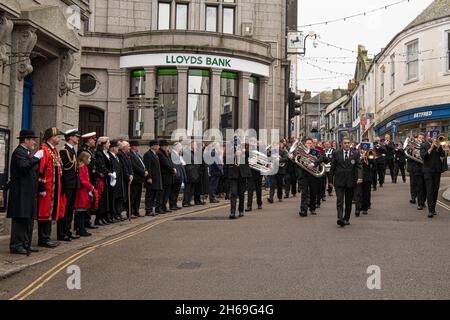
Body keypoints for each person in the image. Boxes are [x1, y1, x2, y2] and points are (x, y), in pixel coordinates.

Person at [7, 130, 43, 255]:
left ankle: (25, 243)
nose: (34, 142)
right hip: (20, 192)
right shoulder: (18, 152)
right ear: (26, 140)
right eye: (32, 139)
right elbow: (24, 166)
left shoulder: (26, 152)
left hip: (27, 192)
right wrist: (36, 158)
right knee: (20, 219)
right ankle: (16, 245)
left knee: (27, 218)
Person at [37, 128, 64, 248]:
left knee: (50, 213)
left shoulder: (54, 150)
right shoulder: (44, 149)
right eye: (58, 136)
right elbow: (41, 170)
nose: (59, 139)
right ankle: (43, 239)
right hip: (46, 188)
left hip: (54, 188)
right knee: (44, 213)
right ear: (51, 137)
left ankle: (47, 237)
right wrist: (42, 187)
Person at [329, 137, 363, 227]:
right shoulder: (336, 153)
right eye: (345, 143)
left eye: (348, 143)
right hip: (339, 181)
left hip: (350, 181)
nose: (347, 144)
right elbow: (332, 168)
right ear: (341, 144)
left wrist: (360, 177)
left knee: (348, 201)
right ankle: (340, 218)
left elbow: (359, 166)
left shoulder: (355, 154)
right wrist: (330, 181)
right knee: (339, 200)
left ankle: (346, 218)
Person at [58, 129, 81, 241]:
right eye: (76, 136)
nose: (78, 138)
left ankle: (67, 230)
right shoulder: (64, 150)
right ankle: (62, 233)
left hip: (73, 184)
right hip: (67, 184)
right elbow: (65, 169)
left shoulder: (71, 150)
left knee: (70, 209)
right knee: (65, 209)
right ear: (71, 137)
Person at [420, 133, 446, 218]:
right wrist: (431, 148)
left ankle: (433, 208)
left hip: (437, 171)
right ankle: (430, 210)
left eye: (433, 136)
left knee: (435, 190)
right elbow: (423, 156)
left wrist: (438, 147)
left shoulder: (438, 145)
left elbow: (443, 155)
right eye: (430, 136)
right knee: (430, 190)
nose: (432, 138)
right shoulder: (423, 145)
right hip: (428, 171)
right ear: (426, 138)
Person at [297, 137, 324, 217]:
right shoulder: (301, 151)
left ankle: (312, 208)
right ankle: (303, 210)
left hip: (313, 174)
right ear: (305, 144)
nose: (309, 144)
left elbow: (321, 158)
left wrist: (314, 163)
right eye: (308, 143)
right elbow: (297, 160)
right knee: (304, 192)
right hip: (304, 174)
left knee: (313, 192)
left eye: (310, 143)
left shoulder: (315, 151)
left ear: (312, 144)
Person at [78, 132, 99, 230]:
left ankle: (87, 221)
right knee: (83, 204)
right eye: (93, 139)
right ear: (88, 140)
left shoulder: (91, 150)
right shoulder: (83, 150)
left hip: (91, 179)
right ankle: (83, 224)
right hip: (86, 181)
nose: (94, 141)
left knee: (88, 202)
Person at [227, 141, 252, 219]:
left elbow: (249, 155)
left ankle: (241, 210)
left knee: (241, 193)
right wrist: (234, 154)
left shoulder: (244, 148)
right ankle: (232, 212)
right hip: (233, 174)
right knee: (233, 193)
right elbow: (226, 159)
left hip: (242, 174)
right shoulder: (230, 150)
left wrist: (242, 152)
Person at [75, 151, 97, 237]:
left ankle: (81, 228)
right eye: (89, 158)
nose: (90, 160)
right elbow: (83, 180)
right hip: (81, 191)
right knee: (81, 211)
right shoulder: (81, 167)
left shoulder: (84, 167)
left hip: (85, 191)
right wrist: (91, 187)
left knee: (83, 210)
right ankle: (80, 228)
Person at [95, 137, 113, 224]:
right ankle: (99, 218)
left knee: (106, 198)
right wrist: (109, 173)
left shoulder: (107, 153)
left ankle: (105, 216)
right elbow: (101, 166)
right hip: (102, 178)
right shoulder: (99, 153)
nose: (109, 144)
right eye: (108, 143)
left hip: (108, 178)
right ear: (103, 144)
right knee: (102, 199)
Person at [144, 140, 163, 216]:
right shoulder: (148, 154)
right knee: (149, 195)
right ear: (153, 146)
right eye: (157, 145)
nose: (158, 147)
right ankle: (148, 210)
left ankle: (151, 209)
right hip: (151, 179)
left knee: (154, 195)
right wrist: (149, 177)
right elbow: (147, 167)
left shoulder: (155, 154)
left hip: (156, 178)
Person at [109, 140, 126, 221]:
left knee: (119, 198)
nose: (118, 149)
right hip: (114, 181)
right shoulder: (110, 156)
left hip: (119, 181)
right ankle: (113, 214)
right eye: (116, 147)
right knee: (114, 198)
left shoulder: (117, 156)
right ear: (112, 148)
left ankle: (118, 213)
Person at [355, 147, 374, 216]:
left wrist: (366, 158)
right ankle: (358, 208)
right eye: (362, 148)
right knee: (358, 193)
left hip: (367, 177)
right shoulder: (357, 154)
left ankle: (365, 208)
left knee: (366, 193)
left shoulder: (370, 153)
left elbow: (373, 163)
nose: (363, 150)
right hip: (358, 176)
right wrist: (360, 158)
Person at [129, 141, 147, 217]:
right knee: (133, 196)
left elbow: (142, 164)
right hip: (136, 178)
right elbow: (134, 166)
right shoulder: (131, 155)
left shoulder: (138, 155)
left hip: (140, 179)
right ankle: (131, 212)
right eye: (136, 146)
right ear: (133, 147)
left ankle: (136, 211)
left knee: (138, 197)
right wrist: (143, 172)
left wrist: (145, 170)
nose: (137, 148)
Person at [158, 140, 176, 213]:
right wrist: (172, 169)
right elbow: (165, 164)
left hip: (169, 176)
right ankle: (160, 207)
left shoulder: (166, 153)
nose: (166, 147)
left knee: (167, 193)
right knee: (162, 193)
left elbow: (170, 162)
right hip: (164, 176)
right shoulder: (160, 153)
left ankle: (164, 206)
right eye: (165, 146)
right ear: (162, 146)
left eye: (167, 146)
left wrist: (173, 168)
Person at [117, 141, 134, 218]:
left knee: (128, 197)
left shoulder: (127, 155)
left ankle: (129, 213)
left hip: (129, 177)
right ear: (124, 147)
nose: (129, 148)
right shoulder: (120, 155)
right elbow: (124, 167)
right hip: (124, 179)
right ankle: (119, 213)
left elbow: (130, 167)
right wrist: (128, 176)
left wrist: (131, 175)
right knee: (123, 197)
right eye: (128, 146)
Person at [247, 140, 263, 211]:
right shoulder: (247, 151)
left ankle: (259, 203)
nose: (252, 144)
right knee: (250, 189)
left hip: (258, 172)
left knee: (258, 189)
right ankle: (249, 206)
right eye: (251, 142)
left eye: (254, 142)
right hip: (250, 172)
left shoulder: (261, 151)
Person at [183, 141, 200, 207]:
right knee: (188, 189)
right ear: (191, 145)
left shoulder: (193, 152)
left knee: (191, 189)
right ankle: (185, 202)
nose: (195, 146)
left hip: (194, 173)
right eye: (195, 145)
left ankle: (188, 201)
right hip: (189, 173)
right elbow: (187, 163)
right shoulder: (186, 152)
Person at [170, 142, 186, 210]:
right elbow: (175, 166)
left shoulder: (178, 155)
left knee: (176, 192)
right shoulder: (173, 154)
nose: (181, 148)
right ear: (176, 147)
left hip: (179, 176)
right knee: (173, 192)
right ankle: (172, 205)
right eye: (180, 147)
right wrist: (178, 175)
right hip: (176, 176)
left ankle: (175, 204)